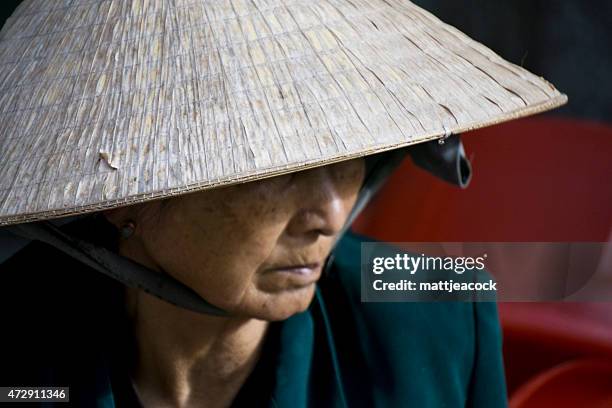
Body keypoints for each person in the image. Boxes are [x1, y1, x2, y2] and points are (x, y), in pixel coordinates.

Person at [0, 0, 566, 407]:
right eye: (277, 172)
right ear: (126, 199)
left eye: (350, 157)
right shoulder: (22, 352)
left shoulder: (437, 315)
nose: (334, 217)